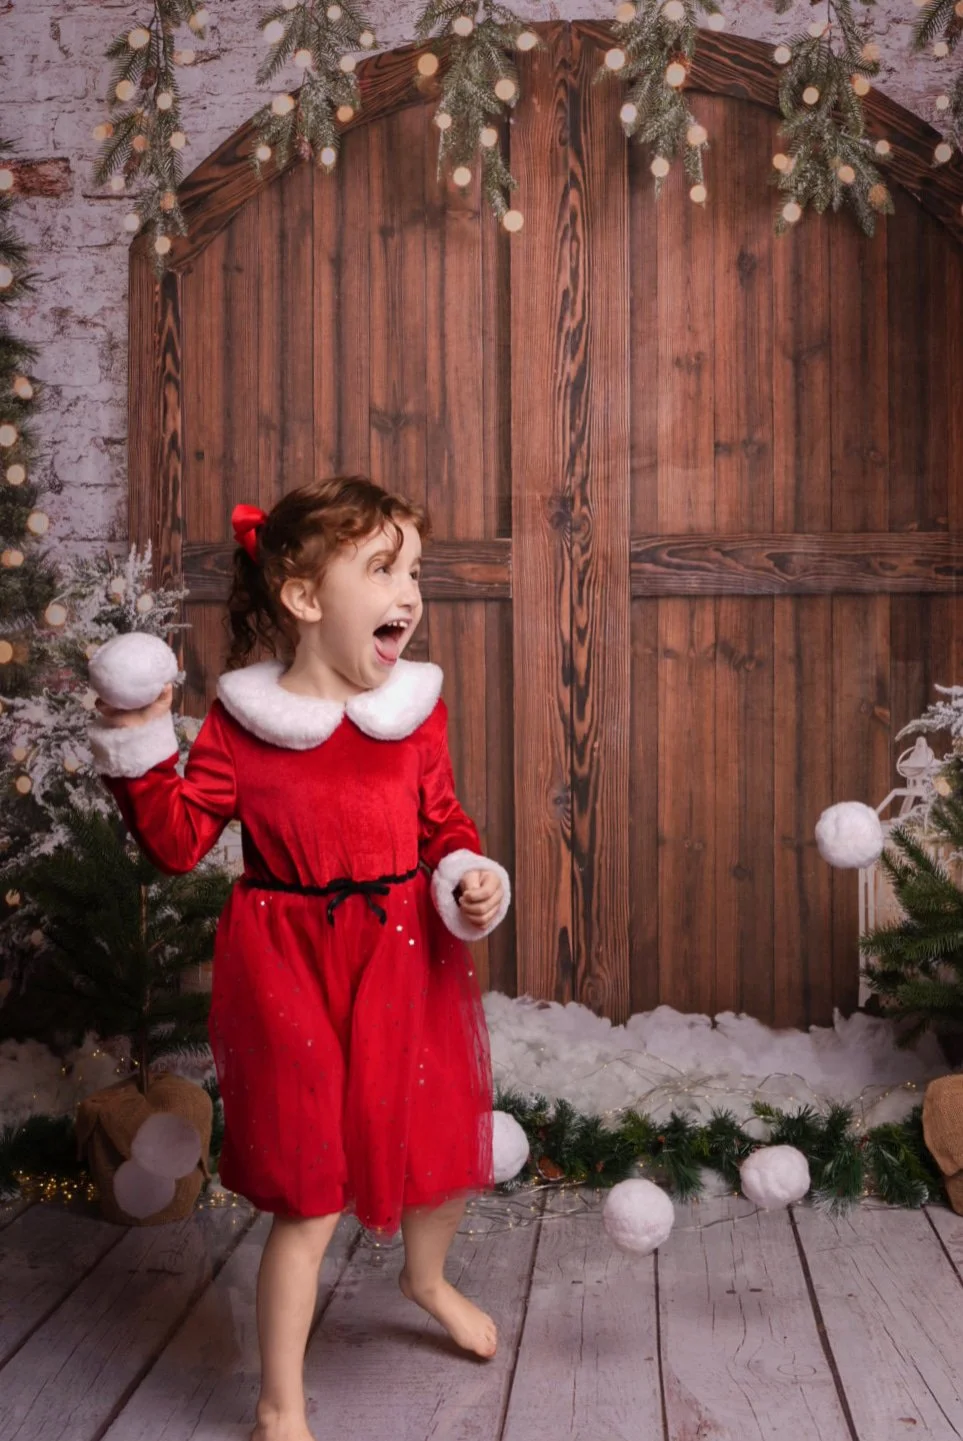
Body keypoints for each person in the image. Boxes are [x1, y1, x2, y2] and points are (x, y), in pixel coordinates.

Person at [87, 475, 512, 1441]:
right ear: (305, 597)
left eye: (414, 572)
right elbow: (178, 840)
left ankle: (426, 1277)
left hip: (403, 955)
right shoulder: (245, 722)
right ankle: (280, 1401)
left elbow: (444, 823)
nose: (409, 593)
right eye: (384, 570)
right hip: (287, 971)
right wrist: (139, 747)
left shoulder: (414, 709)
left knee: (433, 1145)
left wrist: (468, 875)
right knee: (311, 1191)